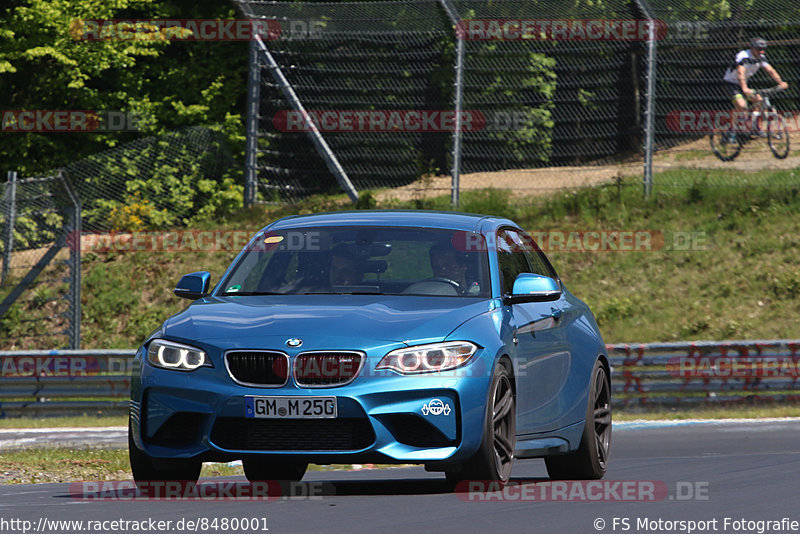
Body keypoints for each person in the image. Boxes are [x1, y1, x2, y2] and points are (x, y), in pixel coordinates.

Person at [722, 37, 788, 141]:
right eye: (758, 49)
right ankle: (731, 131)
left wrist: (780, 82)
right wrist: (744, 88)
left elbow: (770, 70)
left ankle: (756, 127)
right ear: (752, 48)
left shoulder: (761, 57)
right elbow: (740, 72)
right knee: (741, 105)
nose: (761, 51)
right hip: (731, 83)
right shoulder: (743, 55)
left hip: (743, 83)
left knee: (760, 102)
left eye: (763, 49)